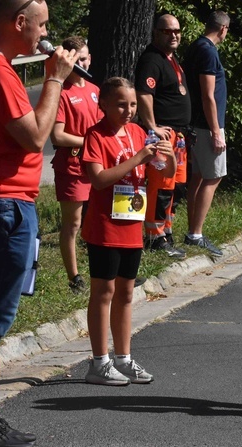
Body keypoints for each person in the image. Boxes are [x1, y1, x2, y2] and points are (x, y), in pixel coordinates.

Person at [0, 0, 78, 447]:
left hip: (6, 204)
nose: (45, 35)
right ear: (19, 23)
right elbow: (37, 136)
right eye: (42, 25)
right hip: (1, 205)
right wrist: (55, 77)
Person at [81, 77, 176, 386]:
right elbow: (99, 179)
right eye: (121, 104)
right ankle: (99, 361)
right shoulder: (96, 136)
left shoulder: (138, 133)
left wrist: (169, 155)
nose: (128, 110)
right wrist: (139, 158)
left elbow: (164, 173)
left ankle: (123, 358)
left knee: (125, 293)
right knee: (104, 292)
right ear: (103, 104)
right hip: (105, 226)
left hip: (131, 226)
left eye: (133, 104)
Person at [135, 13, 190, 259]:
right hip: (163, 136)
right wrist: (152, 126)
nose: (174, 35)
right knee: (161, 186)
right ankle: (154, 236)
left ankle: (167, 231)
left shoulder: (171, 58)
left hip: (178, 137)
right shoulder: (152, 60)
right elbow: (144, 94)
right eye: (168, 31)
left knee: (175, 187)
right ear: (156, 32)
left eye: (177, 30)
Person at [50, 35, 102, 294]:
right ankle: (75, 278)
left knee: (100, 219)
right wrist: (89, 142)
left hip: (96, 165)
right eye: (77, 59)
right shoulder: (61, 92)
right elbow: (57, 136)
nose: (82, 64)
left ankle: (103, 274)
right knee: (73, 223)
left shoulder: (95, 90)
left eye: (85, 58)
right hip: (71, 165)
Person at [183, 11, 230, 257]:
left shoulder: (195, 46)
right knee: (213, 178)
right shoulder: (209, 52)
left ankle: (193, 230)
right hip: (207, 125)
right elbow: (207, 94)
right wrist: (216, 131)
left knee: (199, 176)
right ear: (223, 29)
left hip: (196, 124)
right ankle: (195, 234)